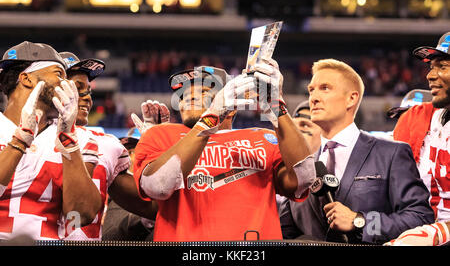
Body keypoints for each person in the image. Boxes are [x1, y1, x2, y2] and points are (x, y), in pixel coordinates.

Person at [133, 62, 316, 241]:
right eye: (183, 95)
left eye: (203, 92)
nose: (188, 97)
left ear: (233, 103)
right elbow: (158, 186)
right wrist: (211, 117)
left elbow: (303, 178)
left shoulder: (263, 138)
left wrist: (276, 103)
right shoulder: (161, 133)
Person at [280, 58, 434, 244]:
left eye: (325, 88)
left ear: (351, 98)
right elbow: (285, 231)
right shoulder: (302, 165)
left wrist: (360, 221)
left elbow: (420, 218)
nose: (313, 97)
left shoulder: (390, 154)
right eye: (311, 90)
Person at [0, 42, 102, 241]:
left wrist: (69, 142)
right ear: (27, 78)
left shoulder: (78, 137)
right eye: (59, 75)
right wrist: (20, 141)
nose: (68, 84)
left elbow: (82, 215)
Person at [59, 52, 158, 240]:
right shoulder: (18, 137)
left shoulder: (105, 144)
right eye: (77, 88)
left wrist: (159, 148)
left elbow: (153, 207)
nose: (87, 98)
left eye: (88, 91)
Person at [386, 32, 450, 246]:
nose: (430, 75)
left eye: (443, 66)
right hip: (415, 226)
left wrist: (438, 233)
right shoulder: (419, 117)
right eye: (432, 66)